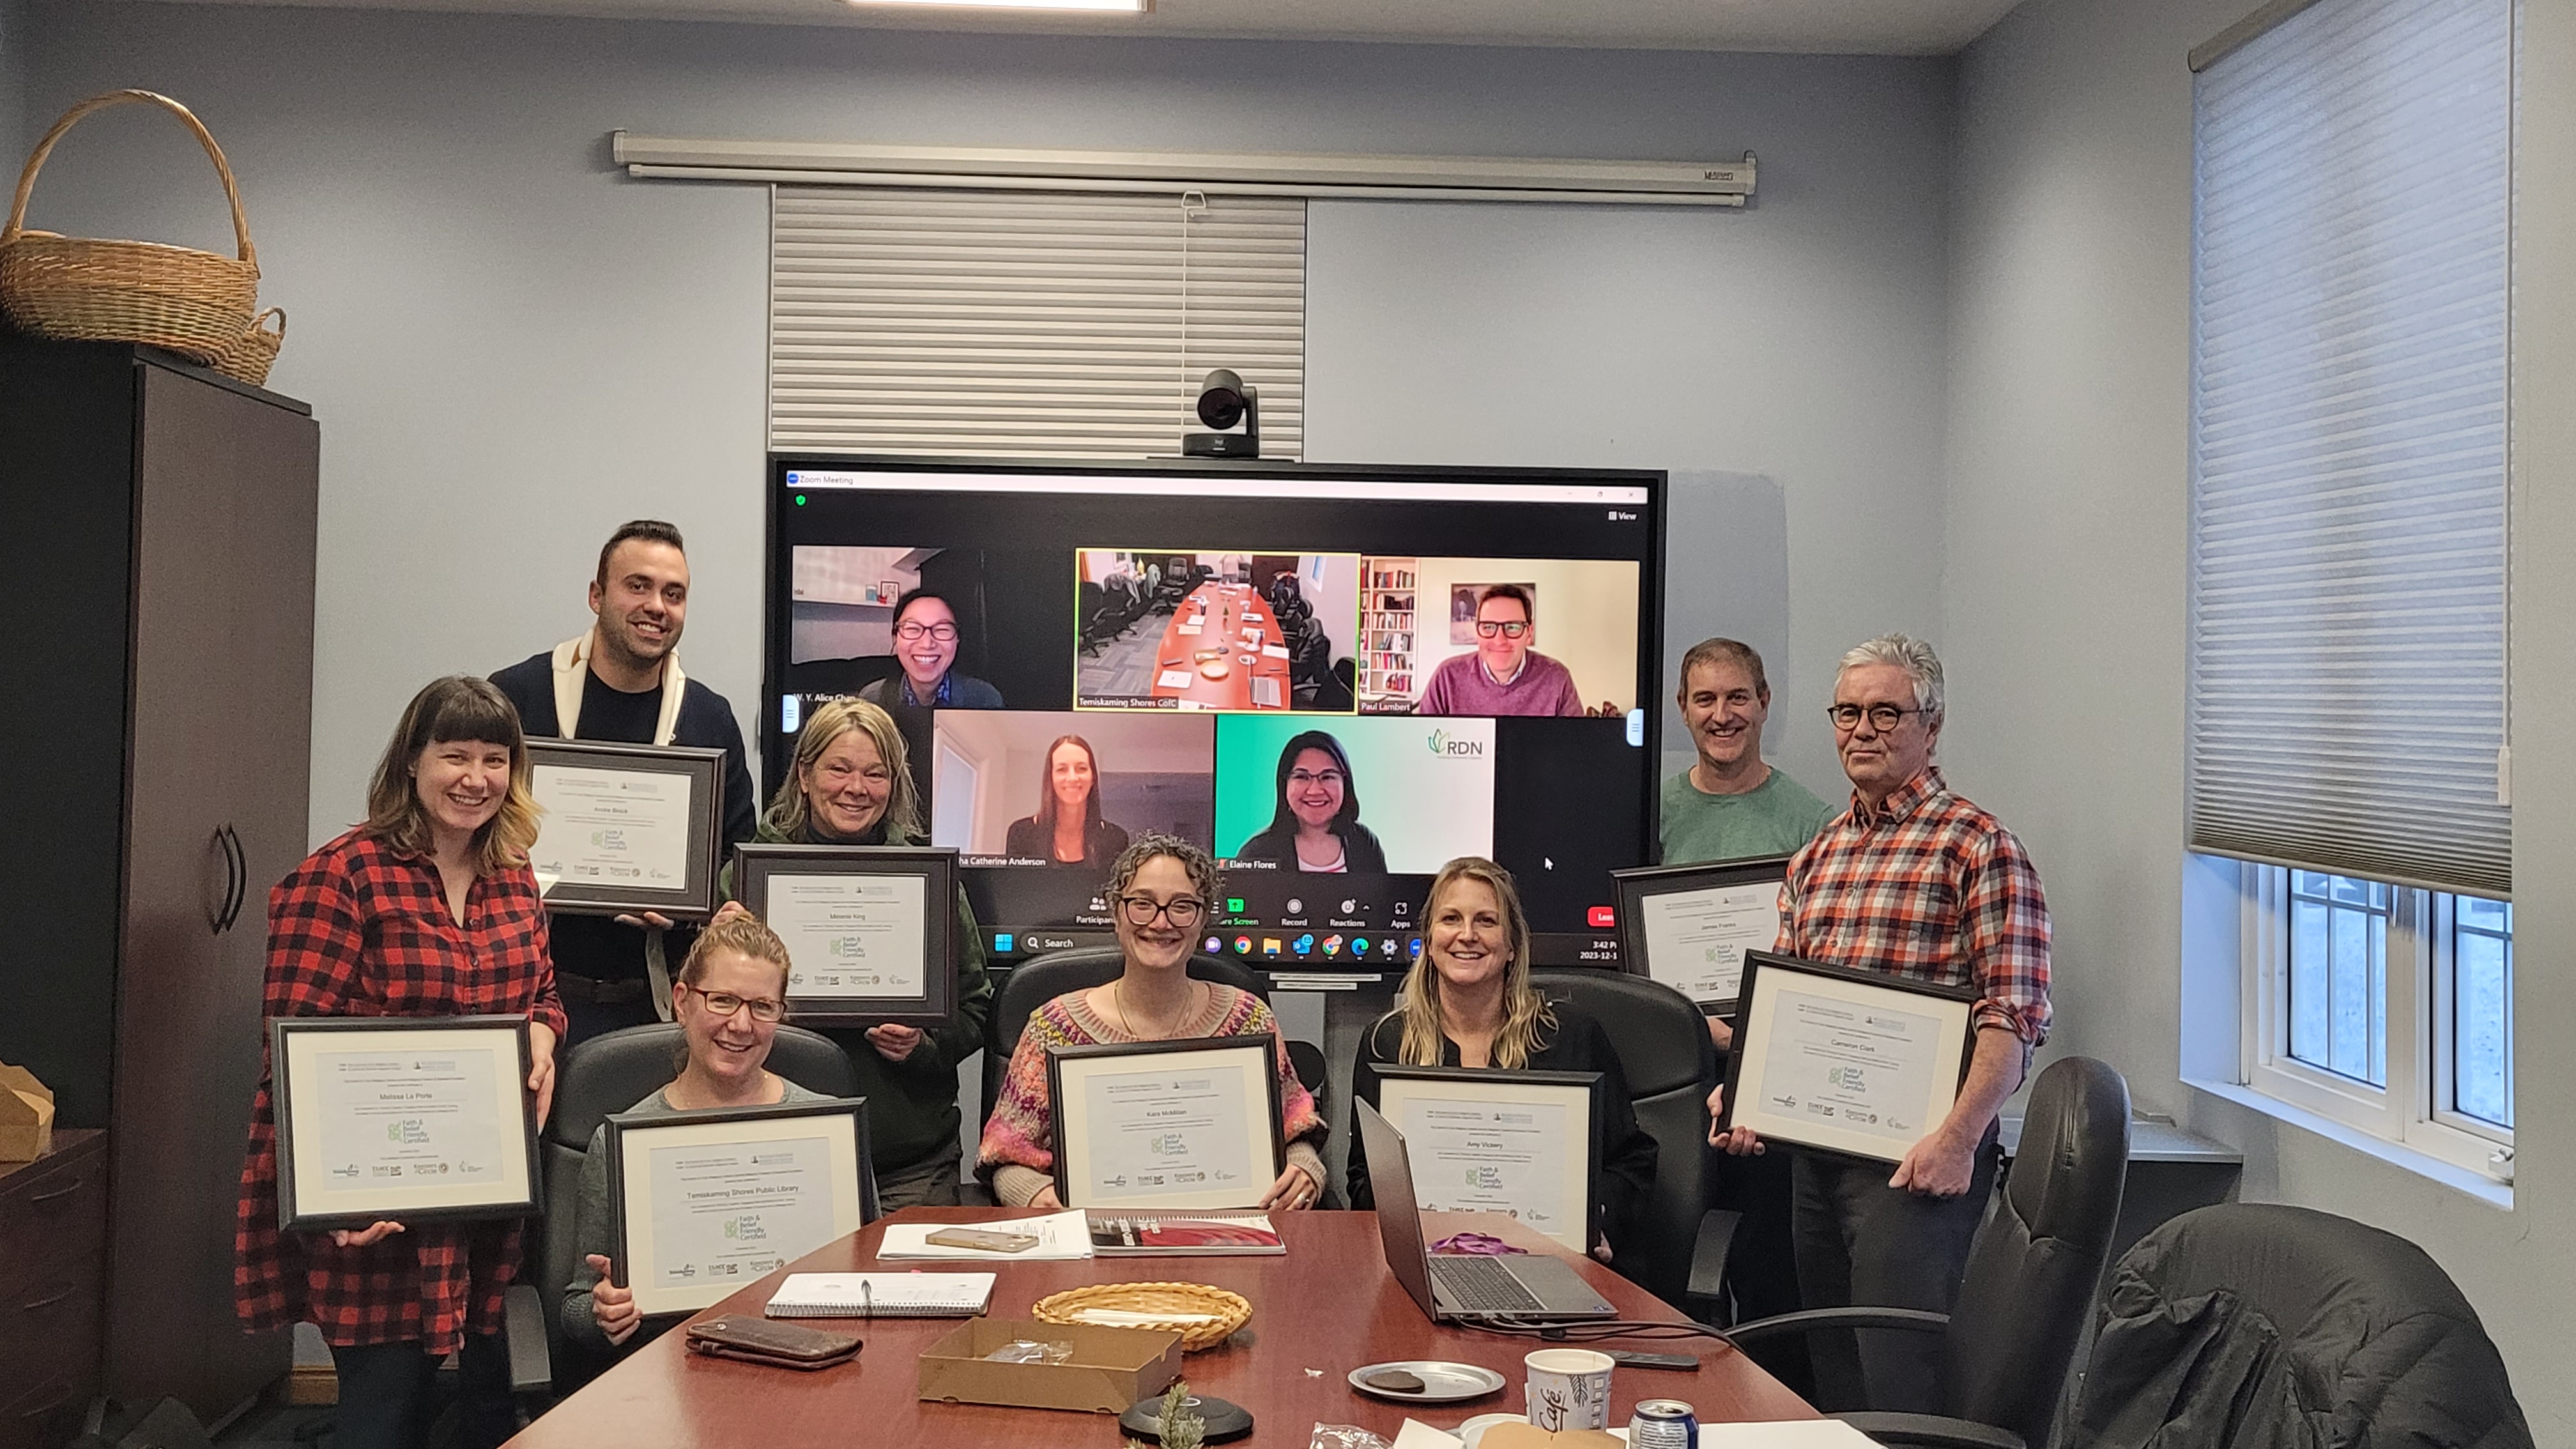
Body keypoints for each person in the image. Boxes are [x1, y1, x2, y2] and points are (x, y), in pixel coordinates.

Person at [1710, 634, 2053, 1416]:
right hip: (1816, 1160)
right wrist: (1745, 1096)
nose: (1862, 730)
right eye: (1849, 712)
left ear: (1930, 728)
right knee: (1835, 1372)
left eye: (1886, 713)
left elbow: (2013, 1018)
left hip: (1915, 1165)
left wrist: (1961, 1139)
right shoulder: (1819, 854)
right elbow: (1783, 1009)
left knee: (1904, 1378)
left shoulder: (1980, 847)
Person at [234, 677, 564, 1449]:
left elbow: (541, 990)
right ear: (412, 762)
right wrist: (336, 1191)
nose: (476, 778)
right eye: (455, 755)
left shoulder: (513, 873)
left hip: (480, 1191)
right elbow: (294, 1045)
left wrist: (544, 1034)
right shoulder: (342, 875)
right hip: (378, 1201)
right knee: (383, 1416)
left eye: (494, 759)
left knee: (479, 1409)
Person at [490, 519, 757, 1047]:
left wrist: (698, 908)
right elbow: (472, 835)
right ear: (597, 595)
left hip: (655, 1008)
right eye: (638, 585)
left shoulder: (708, 718)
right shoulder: (518, 698)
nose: (657, 606)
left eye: (673, 594)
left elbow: (735, 857)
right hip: (528, 1000)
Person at [733, 699, 993, 1209]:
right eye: (840, 769)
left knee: (912, 1292)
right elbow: (702, 1016)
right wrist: (720, 954)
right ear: (805, 774)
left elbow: (976, 1010)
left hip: (911, 1165)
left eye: (877, 774)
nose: (857, 788)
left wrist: (922, 1043)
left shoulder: (932, 886)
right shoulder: (746, 882)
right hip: (779, 1154)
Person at [979, 835, 1326, 1209]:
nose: (1161, 923)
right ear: (1116, 913)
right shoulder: (1055, 1027)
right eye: (1142, 904)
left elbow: (1296, 1130)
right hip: (1092, 1240)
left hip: (1228, 1236)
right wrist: (1034, 1194)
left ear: (1203, 917)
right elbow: (1005, 1156)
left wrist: (1306, 1170)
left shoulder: (1248, 1019)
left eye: (1182, 906)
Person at [1345, 857, 1656, 1262]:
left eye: (1487, 921)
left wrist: (1592, 1216)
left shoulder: (1571, 1037)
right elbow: (1362, 1178)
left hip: (1551, 1260)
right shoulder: (1386, 1042)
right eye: (1451, 919)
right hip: (1429, 1263)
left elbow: (1632, 1161)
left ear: (1512, 946)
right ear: (1431, 939)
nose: (1467, 935)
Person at [567, 911, 832, 1358]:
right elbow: (574, 1310)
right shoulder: (623, 1142)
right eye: (723, 1000)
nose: (742, 1025)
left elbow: (865, 1280)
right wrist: (605, 1311)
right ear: (682, 1001)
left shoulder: (827, 1131)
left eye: (762, 1006)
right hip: (668, 1379)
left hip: (806, 1370)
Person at [1229, 731, 1389, 873]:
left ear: (1345, 783)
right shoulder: (1257, 853)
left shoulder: (1364, 841)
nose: (1315, 790)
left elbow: (1384, 904)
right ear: (1284, 784)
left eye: (1327, 777)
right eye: (1302, 777)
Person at [1417, 584, 1584, 716]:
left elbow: (1575, 748)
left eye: (1512, 627)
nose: (1500, 640)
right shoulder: (1447, 677)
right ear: (1477, 632)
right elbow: (1422, 743)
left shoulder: (1556, 678)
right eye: (1489, 627)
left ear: (1529, 632)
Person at [857, 589, 1004, 709]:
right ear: (895, 636)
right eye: (913, 629)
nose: (927, 644)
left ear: (957, 638)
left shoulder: (984, 699)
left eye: (942, 629)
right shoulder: (873, 699)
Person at [1004, 734, 1132, 868]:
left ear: (1093, 777)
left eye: (1081, 768)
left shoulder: (1117, 838)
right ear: (1050, 778)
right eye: (1062, 770)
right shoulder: (1021, 834)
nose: (1072, 778)